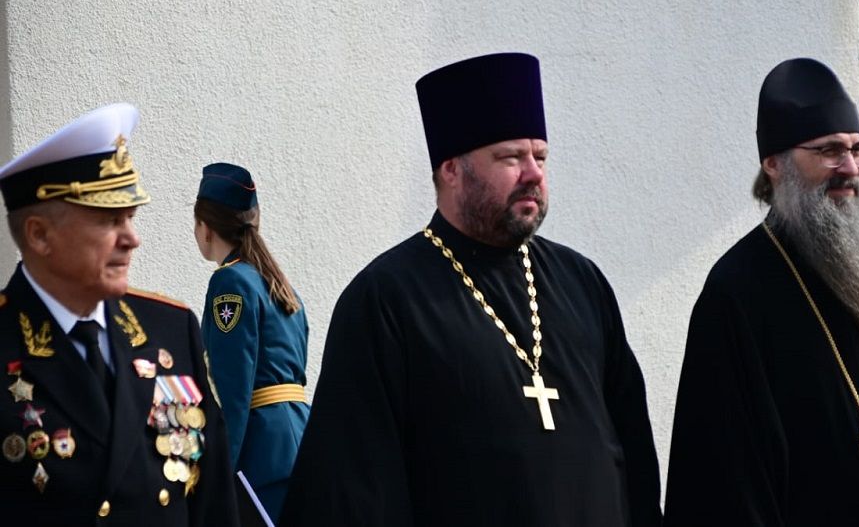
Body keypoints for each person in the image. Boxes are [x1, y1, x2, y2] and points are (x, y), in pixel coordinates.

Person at [280, 52, 662, 527]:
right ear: (452, 169)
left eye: (540, 157)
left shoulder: (583, 283)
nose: (534, 174)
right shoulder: (387, 300)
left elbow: (634, 455)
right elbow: (354, 490)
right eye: (511, 157)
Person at [664, 58, 859, 526]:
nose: (851, 168)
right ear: (774, 164)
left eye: (858, 149)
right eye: (830, 151)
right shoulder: (735, 293)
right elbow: (725, 482)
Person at [0, 103, 238, 525]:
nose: (132, 238)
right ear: (39, 235)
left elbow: (214, 504)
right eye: (110, 220)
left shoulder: (171, 329)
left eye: (130, 217)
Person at [194, 162, 309, 522]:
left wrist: (218, 473)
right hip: (298, 441)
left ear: (205, 228)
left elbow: (232, 388)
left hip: (260, 454)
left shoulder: (230, 282)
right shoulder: (281, 285)